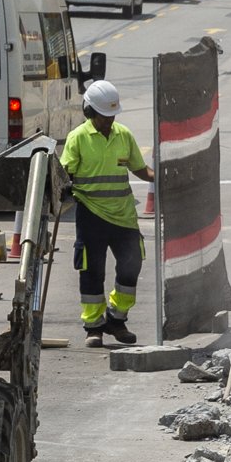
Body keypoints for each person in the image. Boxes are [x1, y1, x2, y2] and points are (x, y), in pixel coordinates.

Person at [57, 77, 155, 346]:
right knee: (92, 271)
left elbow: (139, 168)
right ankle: (94, 327)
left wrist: (160, 176)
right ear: (89, 112)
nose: (109, 121)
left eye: (112, 116)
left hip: (123, 216)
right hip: (91, 215)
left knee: (131, 266)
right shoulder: (78, 138)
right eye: (103, 116)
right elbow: (65, 174)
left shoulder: (123, 135)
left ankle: (117, 320)